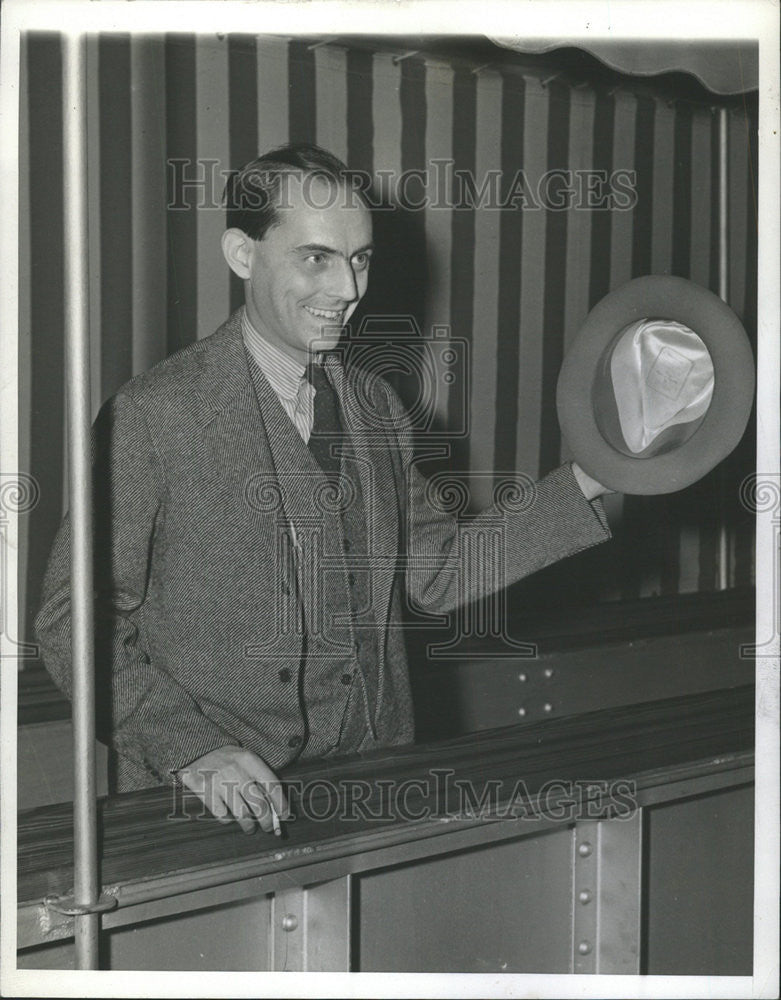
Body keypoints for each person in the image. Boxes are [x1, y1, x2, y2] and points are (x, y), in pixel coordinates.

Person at [35, 144, 612, 835]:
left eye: (360, 258)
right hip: (205, 806)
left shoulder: (377, 406)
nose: (347, 289)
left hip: (369, 786)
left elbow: (439, 571)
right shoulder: (153, 415)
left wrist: (595, 477)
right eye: (317, 258)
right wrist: (193, 751)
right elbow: (74, 623)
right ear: (243, 255)